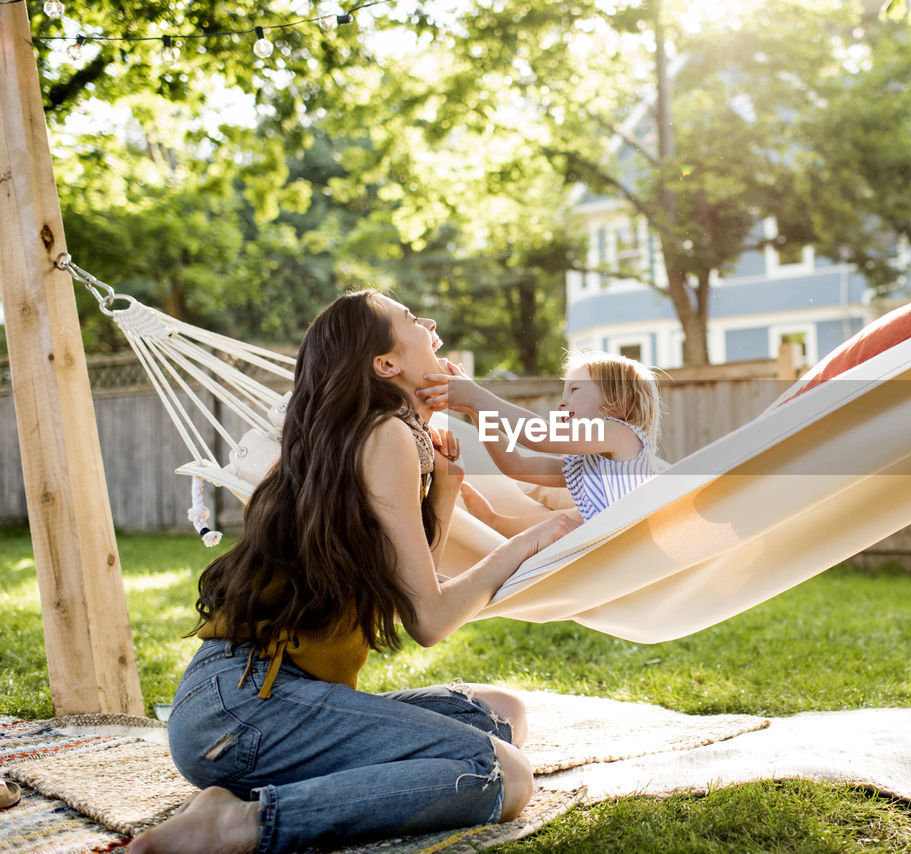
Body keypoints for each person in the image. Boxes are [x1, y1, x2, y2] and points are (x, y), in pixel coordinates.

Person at [128, 290, 580, 854]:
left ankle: (264, 790)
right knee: (501, 775)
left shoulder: (376, 437)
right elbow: (430, 621)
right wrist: (531, 541)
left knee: (501, 715)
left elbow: (417, 586)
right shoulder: (383, 434)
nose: (431, 323)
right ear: (386, 365)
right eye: (413, 319)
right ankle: (238, 825)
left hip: (244, 703)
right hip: (243, 710)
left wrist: (444, 490)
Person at [420, 351, 662, 537]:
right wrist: (478, 411)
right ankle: (497, 523)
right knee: (571, 521)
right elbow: (516, 465)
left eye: (574, 390)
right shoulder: (587, 465)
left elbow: (542, 437)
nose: (561, 403)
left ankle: (498, 524)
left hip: (632, 550)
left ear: (619, 400)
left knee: (575, 520)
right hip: (603, 550)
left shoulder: (622, 435)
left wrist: (477, 397)